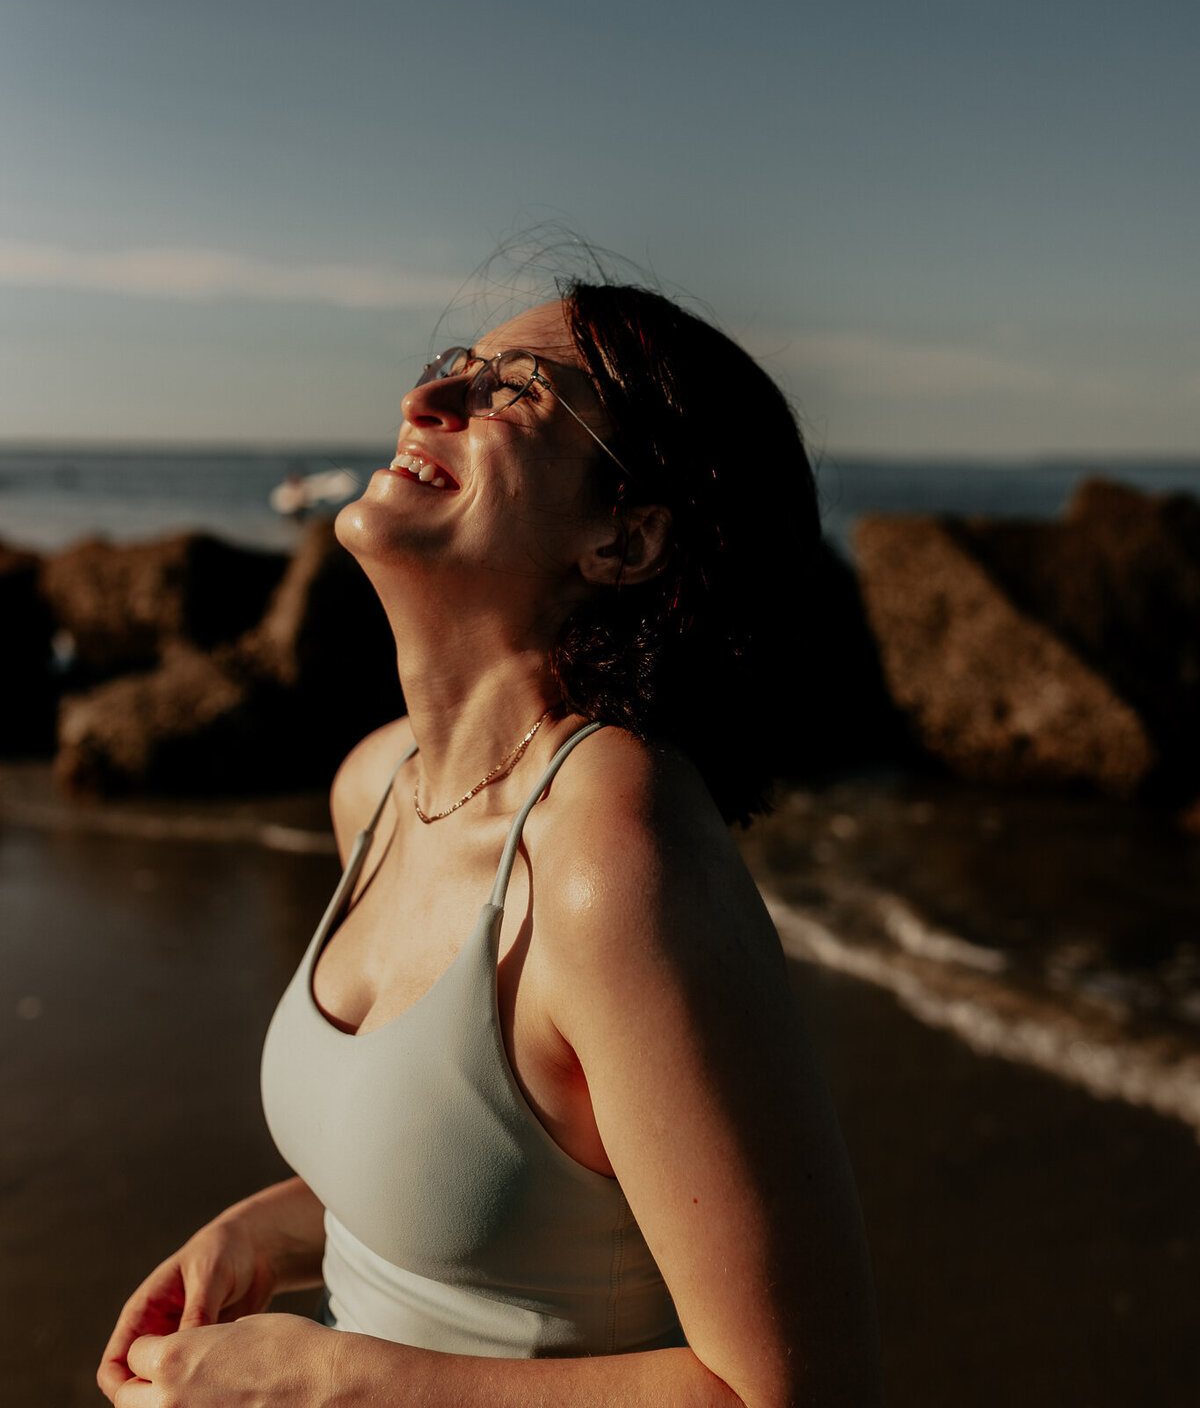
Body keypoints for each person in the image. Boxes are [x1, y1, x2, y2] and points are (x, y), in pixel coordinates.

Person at [98, 281, 881, 1407]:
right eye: (455, 362)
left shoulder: (615, 850)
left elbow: (799, 1393)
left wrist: (331, 1381)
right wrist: (268, 1232)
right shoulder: (376, 788)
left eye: (512, 391)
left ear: (625, 533)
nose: (427, 395)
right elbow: (490, 1189)